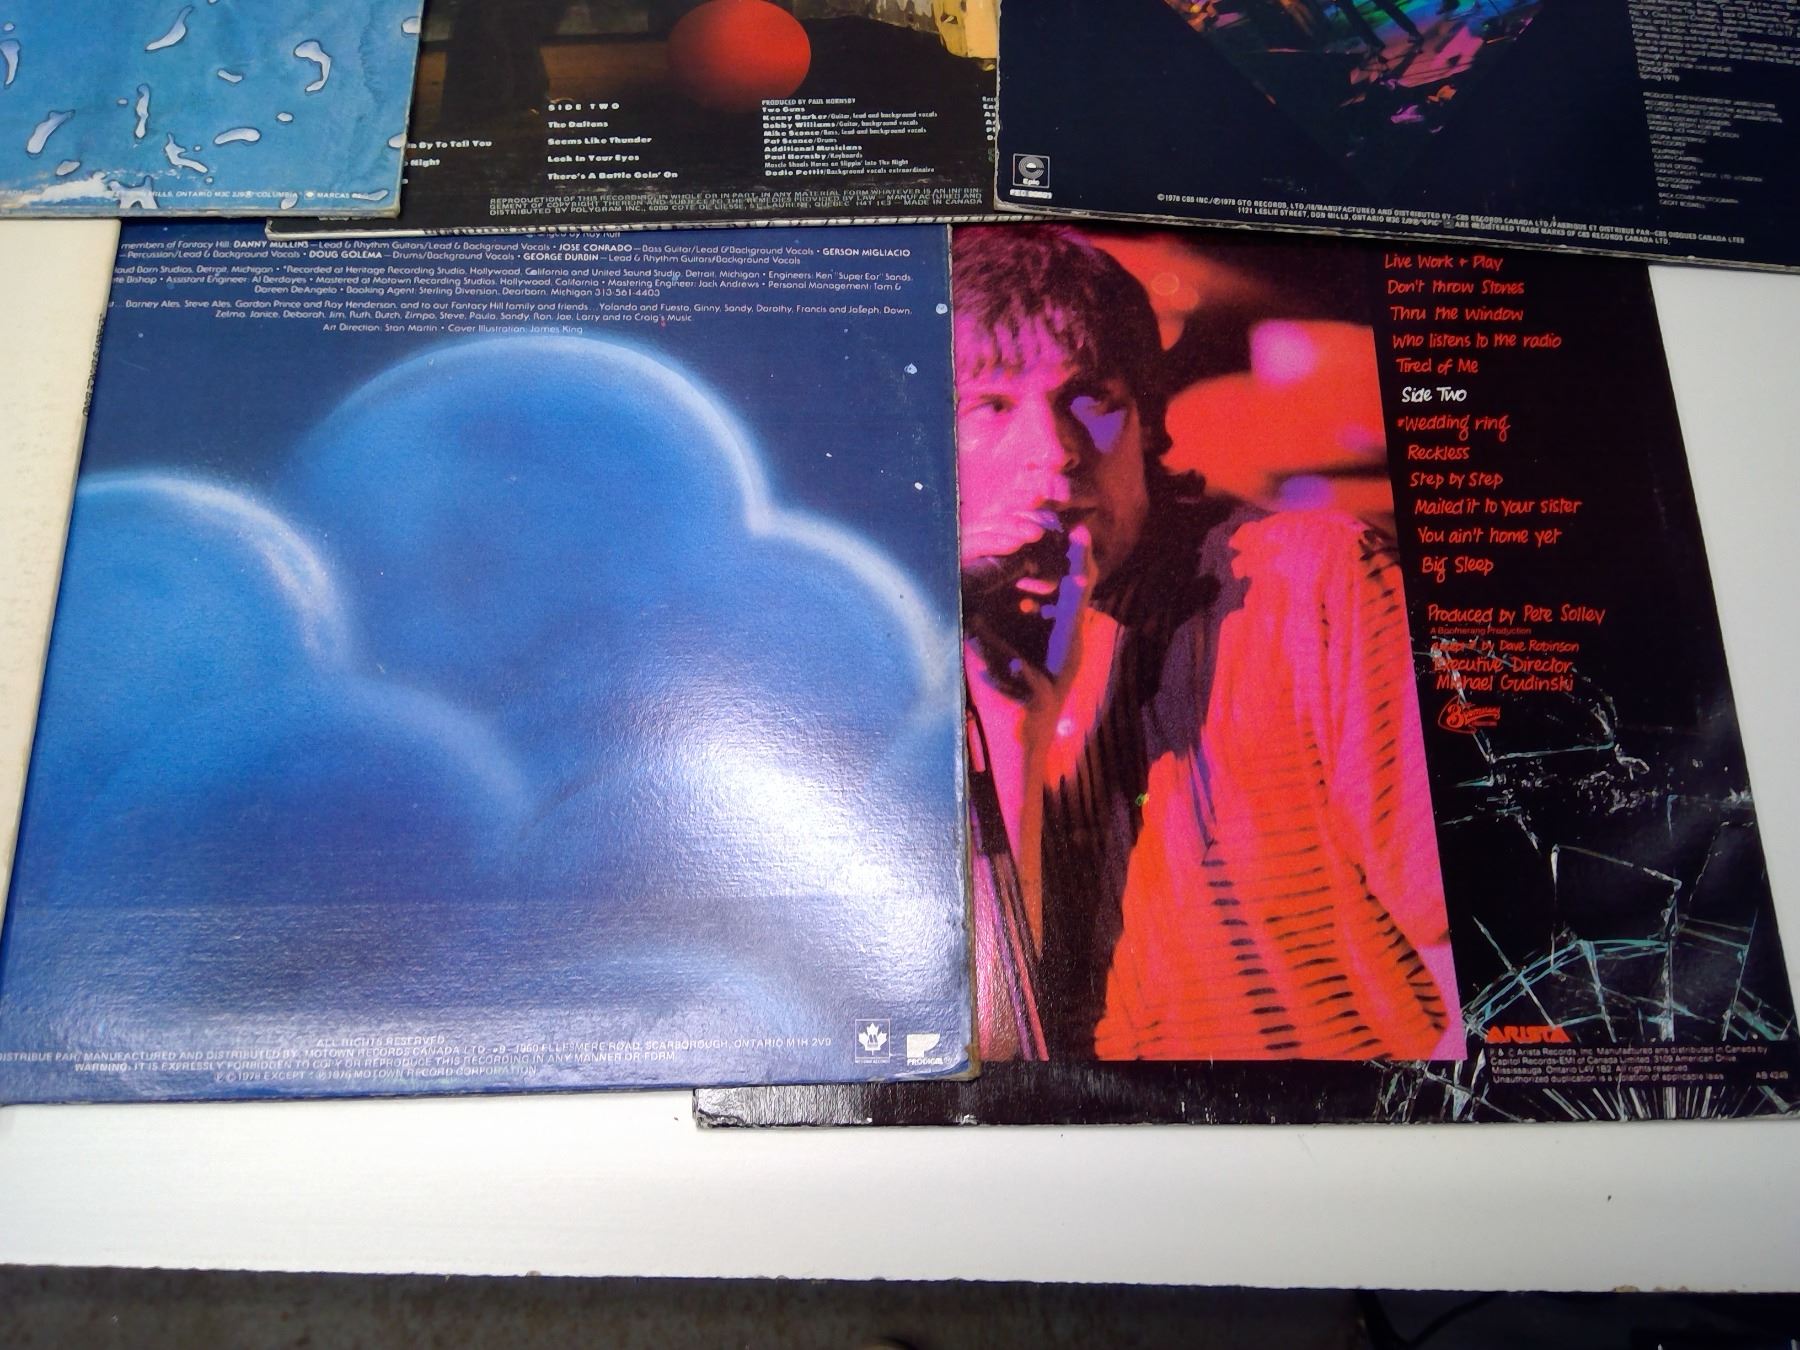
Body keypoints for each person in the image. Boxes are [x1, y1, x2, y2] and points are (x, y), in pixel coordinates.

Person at [954, 226, 1457, 1063]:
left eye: (1091, 398)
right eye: (990, 407)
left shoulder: (1313, 580)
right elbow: (996, 1050)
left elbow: (1487, 958)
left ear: (1146, 421)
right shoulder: (934, 667)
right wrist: (1012, 734)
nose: (1056, 453)